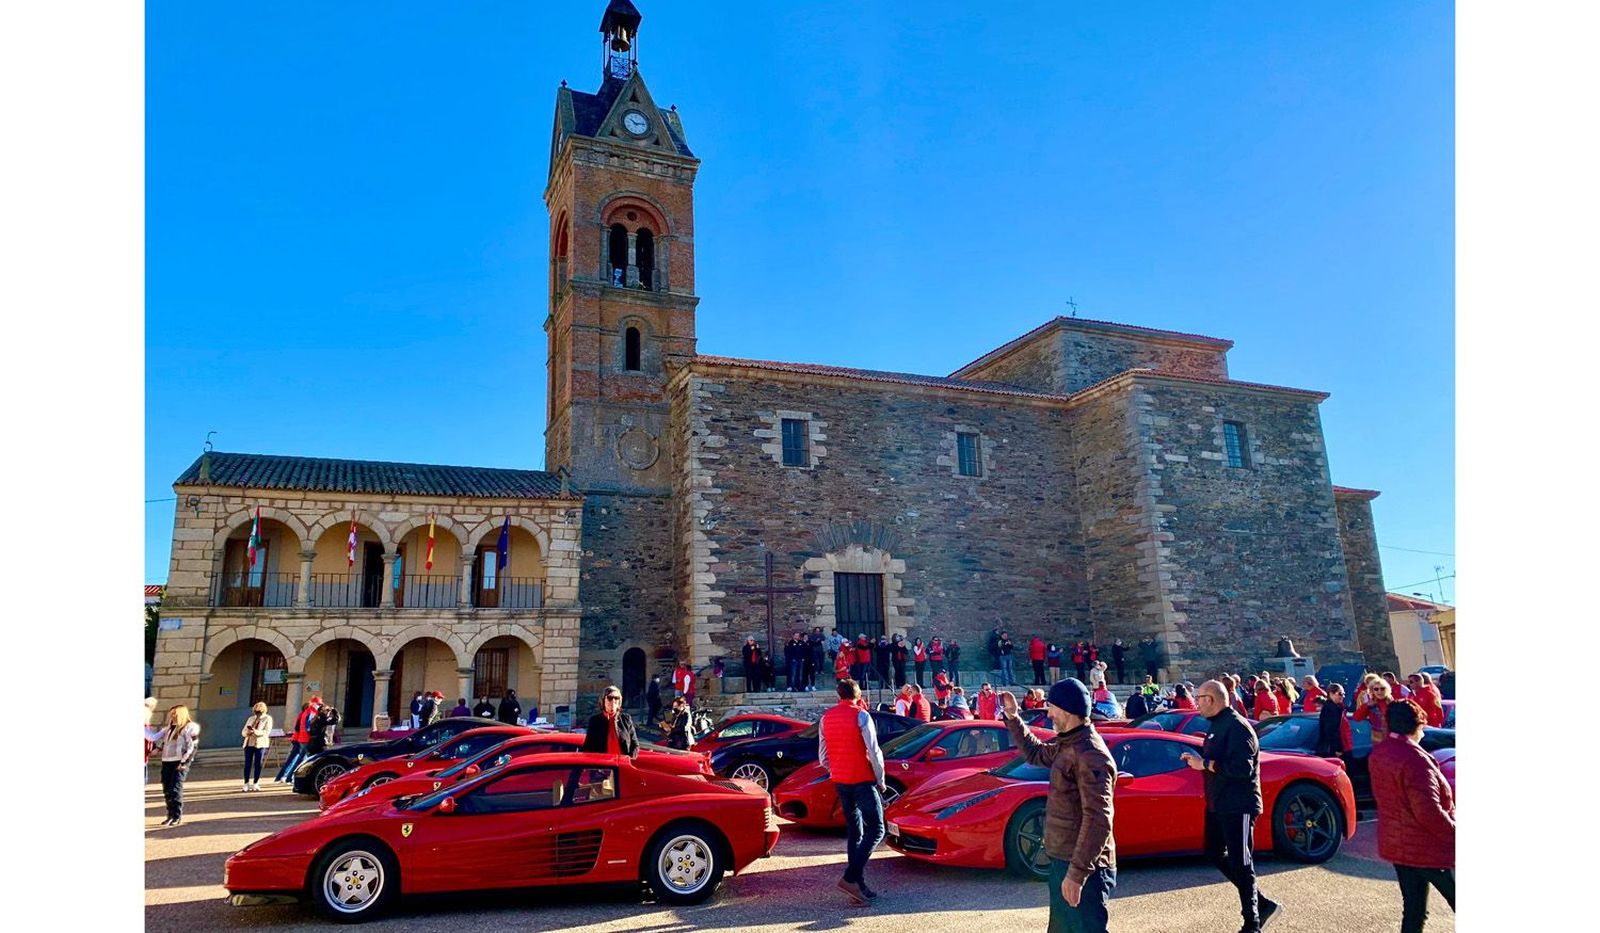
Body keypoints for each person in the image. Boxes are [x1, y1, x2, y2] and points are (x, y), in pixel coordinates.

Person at [999, 679, 1117, 933]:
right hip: (1065, 860)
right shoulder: (1070, 743)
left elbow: (1099, 818)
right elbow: (1035, 753)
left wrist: (1077, 873)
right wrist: (1013, 717)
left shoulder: (1090, 754)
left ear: (1067, 710)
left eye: (1051, 707)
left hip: (1085, 869)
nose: (1049, 713)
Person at [1182, 680, 1282, 932]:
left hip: (1239, 804)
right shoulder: (1217, 725)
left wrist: (1204, 765)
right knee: (1213, 852)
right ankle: (1261, 903)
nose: (1196, 702)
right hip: (1218, 802)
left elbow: (1241, 768)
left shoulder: (1238, 726)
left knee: (1242, 862)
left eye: (1200, 697)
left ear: (1212, 699)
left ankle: (1252, 922)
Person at [1369, 699, 1455, 933]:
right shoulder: (1416, 760)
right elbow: (1428, 811)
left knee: (1414, 911)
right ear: (1417, 725)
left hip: (1399, 845)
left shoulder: (1380, 753)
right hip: (1429, 847)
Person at [819, 678, 888, 906]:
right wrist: (881, 778)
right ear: (858, 695)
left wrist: (835, 768)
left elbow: (823, 756)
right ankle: (850, 877)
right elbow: (874, 750)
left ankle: (857, 883)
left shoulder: (825, 718)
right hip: (861, 778)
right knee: (877, 828)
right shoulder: (861, 715)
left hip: (841, 780)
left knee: (854, 830)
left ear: (838, 696)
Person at [155, 704, 201, 826]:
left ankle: (176, 815)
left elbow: (192, 746)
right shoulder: (169, 728)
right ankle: (170, 814)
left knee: (175, 788)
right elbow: (162, 741)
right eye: (171, 714)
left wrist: (184, 762)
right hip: (167, 761)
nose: (172, 716)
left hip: (179, 761)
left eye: (175, 714)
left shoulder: (189, 727)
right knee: (167, 789)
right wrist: (157, 749)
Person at [582, 685, 640, 757]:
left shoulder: (626, 719)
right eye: (610, 698)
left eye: (616, 698)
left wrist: (630, 759)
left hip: (623, 764)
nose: (613, 701)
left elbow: (635, 744)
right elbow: (588, 747)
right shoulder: (595, 721)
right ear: (603, 700)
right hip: (603, 765)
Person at [273, 697, 318, 783]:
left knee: (294, 758)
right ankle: (287, 776)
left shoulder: (302, 714)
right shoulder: (307, 714)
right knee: (297, 759)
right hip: (300, 738)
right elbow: (301, 728)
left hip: (297, 738)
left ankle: (282, 776)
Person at [1315, 682, 1354, 761]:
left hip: (1340, 746)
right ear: (1331, 694)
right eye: (1340, 694)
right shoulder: (1331, 709)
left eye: (1343, 694)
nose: (1343, 696)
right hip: (1333, 749)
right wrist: (1337, 748)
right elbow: (1331, 730)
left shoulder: (1336, 707)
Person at [240, 702, 272, 792]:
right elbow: (243, 731)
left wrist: (256, 732)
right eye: (256, 712)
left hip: (260, 744)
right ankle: (246, 783)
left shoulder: (267, 718)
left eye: (259, 712)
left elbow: (267, 732)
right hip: (249, 743)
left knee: (258, 764)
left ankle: (256, 783)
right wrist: (247, 732)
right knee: (247, 764)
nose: (257, 714)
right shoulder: (251, 718)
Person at [1353, 677, 1395, 744]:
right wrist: (1366, 705)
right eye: (1376, 689)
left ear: (1387, 690)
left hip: (1392, 737)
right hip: (1376, 738)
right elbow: (1356, 717)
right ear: (1372, 691)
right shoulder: (1370, 704)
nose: (1379, 691)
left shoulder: (1393, 703)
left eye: (1382, 689)